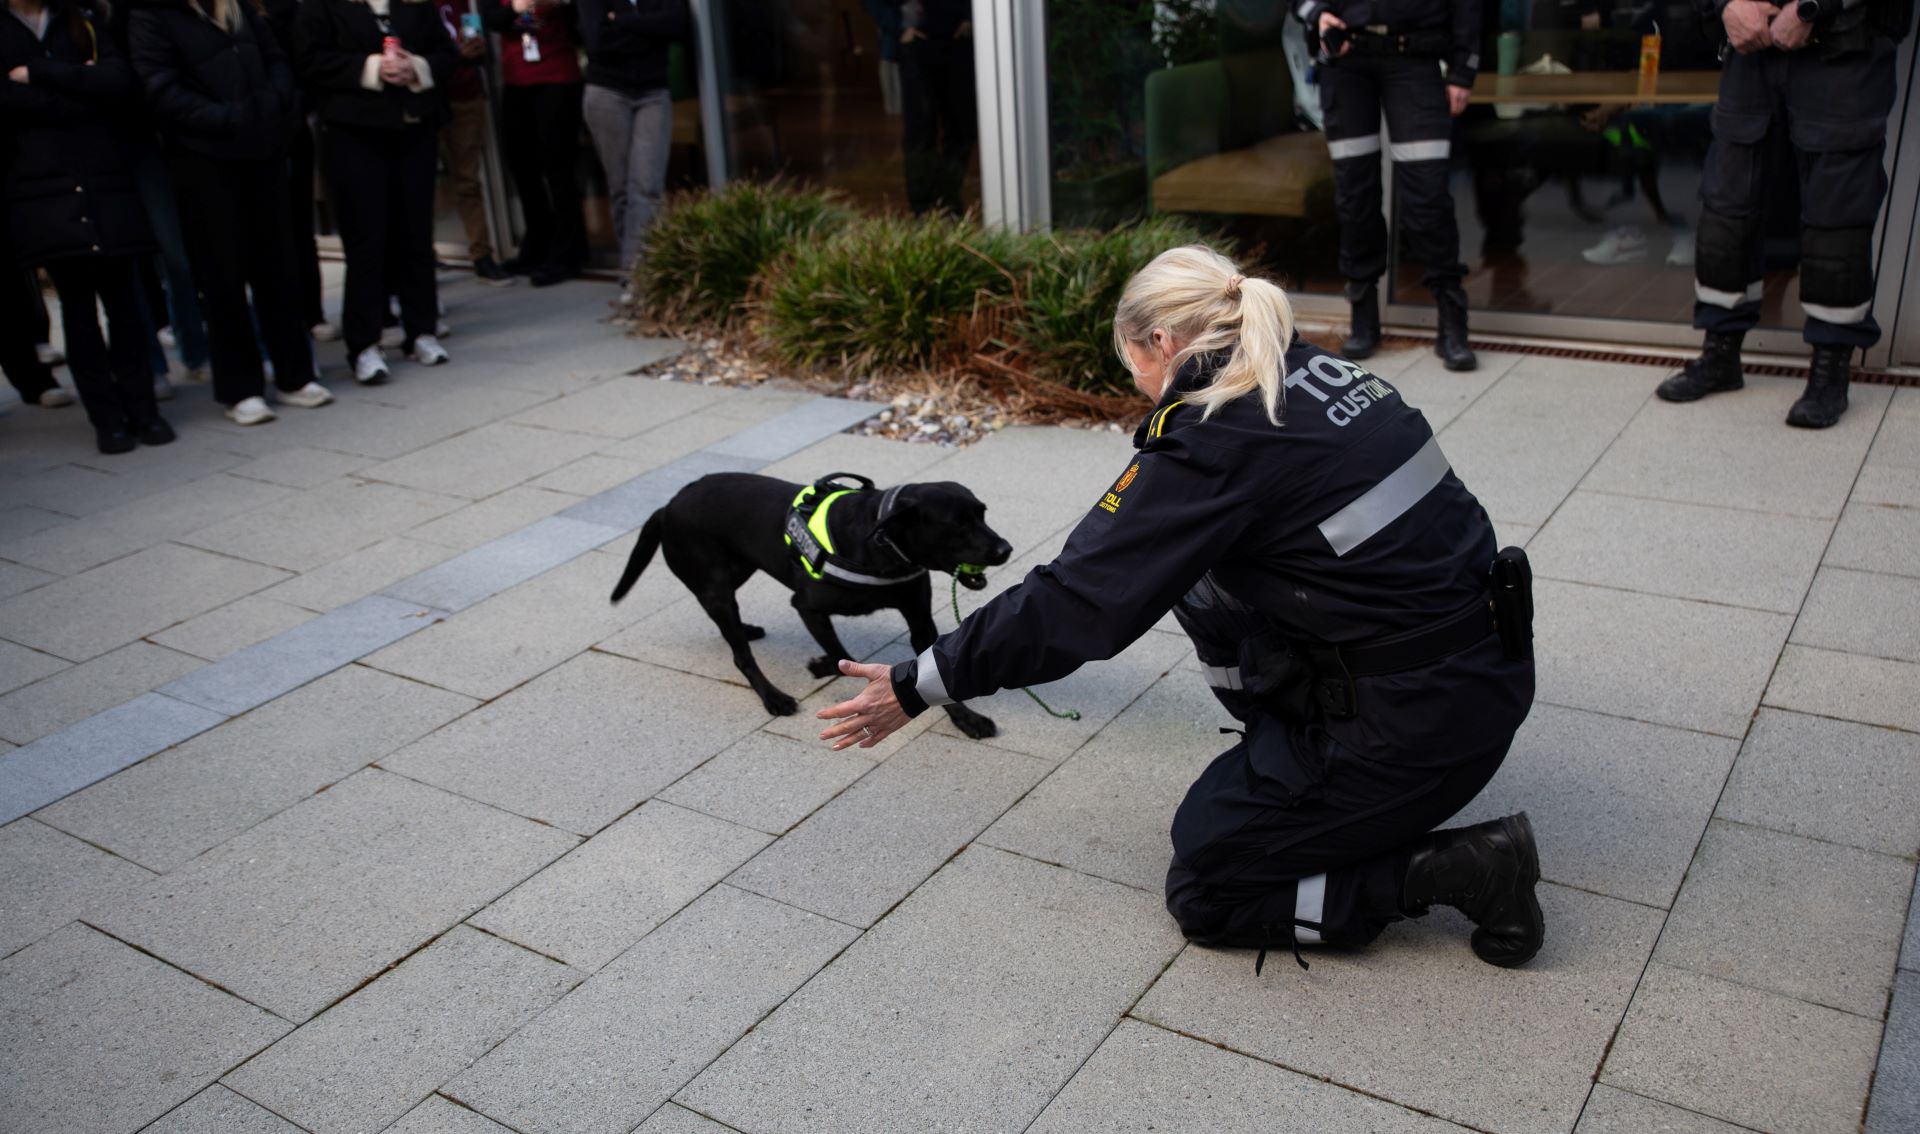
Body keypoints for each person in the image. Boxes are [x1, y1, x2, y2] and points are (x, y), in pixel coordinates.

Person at [821, 246, 1544, 971]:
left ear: (1161, 344)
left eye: (1130, 358)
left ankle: (1460, 869)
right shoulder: (1310, 369)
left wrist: (923, 682)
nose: (1136, 381)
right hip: (1480, 671)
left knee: (1211, 884)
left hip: (1419, 727)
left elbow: (1078, 597)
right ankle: (1286, 742)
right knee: (1198, 573)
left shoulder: (1217, 434)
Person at [1652, 0, 1912, 428]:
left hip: (1843, 48)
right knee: (1726, 207)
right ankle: (1721, 353)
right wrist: (1727, 6)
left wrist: (1812, 10)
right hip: (1753, 52)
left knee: (1837, 217)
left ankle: (1830, 371)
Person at [128, 0, 335, 426]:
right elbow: (162, 89)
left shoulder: (236, 7)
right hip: (202, 162)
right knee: (223, 278)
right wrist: (226, 119)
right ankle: (240, 388)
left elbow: (277, 59)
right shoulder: (151, 16)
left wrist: (276, 105)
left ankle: (294, 375)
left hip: (263, 150)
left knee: (278, 268)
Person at [3, 0, 174, 451]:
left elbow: (119, 84)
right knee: (78, 310)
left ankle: (144, 409)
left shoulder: (82, 21)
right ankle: (106, 418)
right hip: (42, 190)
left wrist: (39, 73)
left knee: (125, 304)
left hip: (105, 181)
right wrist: (82, 85)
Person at [1298, 0, 1482, 371]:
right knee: (1355, 195)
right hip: (1346, 61)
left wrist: (1463, 69)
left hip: (1415, 57)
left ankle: (1452, 319)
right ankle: (1363, 312)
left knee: (1427, 196)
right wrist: (1315, 13)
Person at [295, 0, 457, 385]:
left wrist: (415, 67)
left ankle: (422, 331)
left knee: (416, 234)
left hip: (414, 129)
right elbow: (309, 60)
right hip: (354, 135)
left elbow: (445, 53)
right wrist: (372, 68)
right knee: (367, 242)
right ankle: (364, 344)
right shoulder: (318, 8)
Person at [575, 0, 687, 276]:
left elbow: (680, 25)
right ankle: (635, 272)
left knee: (647, 186)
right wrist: (650, 28)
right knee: (623, 187)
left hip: (653, 93)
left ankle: (639, 276)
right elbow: (598, 42)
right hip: (608, 94)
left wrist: (625, 20)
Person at [481, 0, 585, 286]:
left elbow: (579, 16)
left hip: (557, 77)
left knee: (558, 167)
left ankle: (569, 251)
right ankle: (538, 243)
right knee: (522, 166)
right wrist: (517, 7)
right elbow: (491, 18)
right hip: (516, 81)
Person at [437, 0, 511, 284]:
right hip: (428, 98)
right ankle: (420, 257)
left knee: (468, 180)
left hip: (466, 94)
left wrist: (476, 52)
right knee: (418, 186)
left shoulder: (465, 3)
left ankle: (481, 254)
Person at [896, 0, 974, 216]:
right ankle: (922, 208)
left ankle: (948, 202)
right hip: (916, 46)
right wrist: (897, 26)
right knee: (920, 131)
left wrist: (972, 18)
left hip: (959, 43)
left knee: (961, 129)